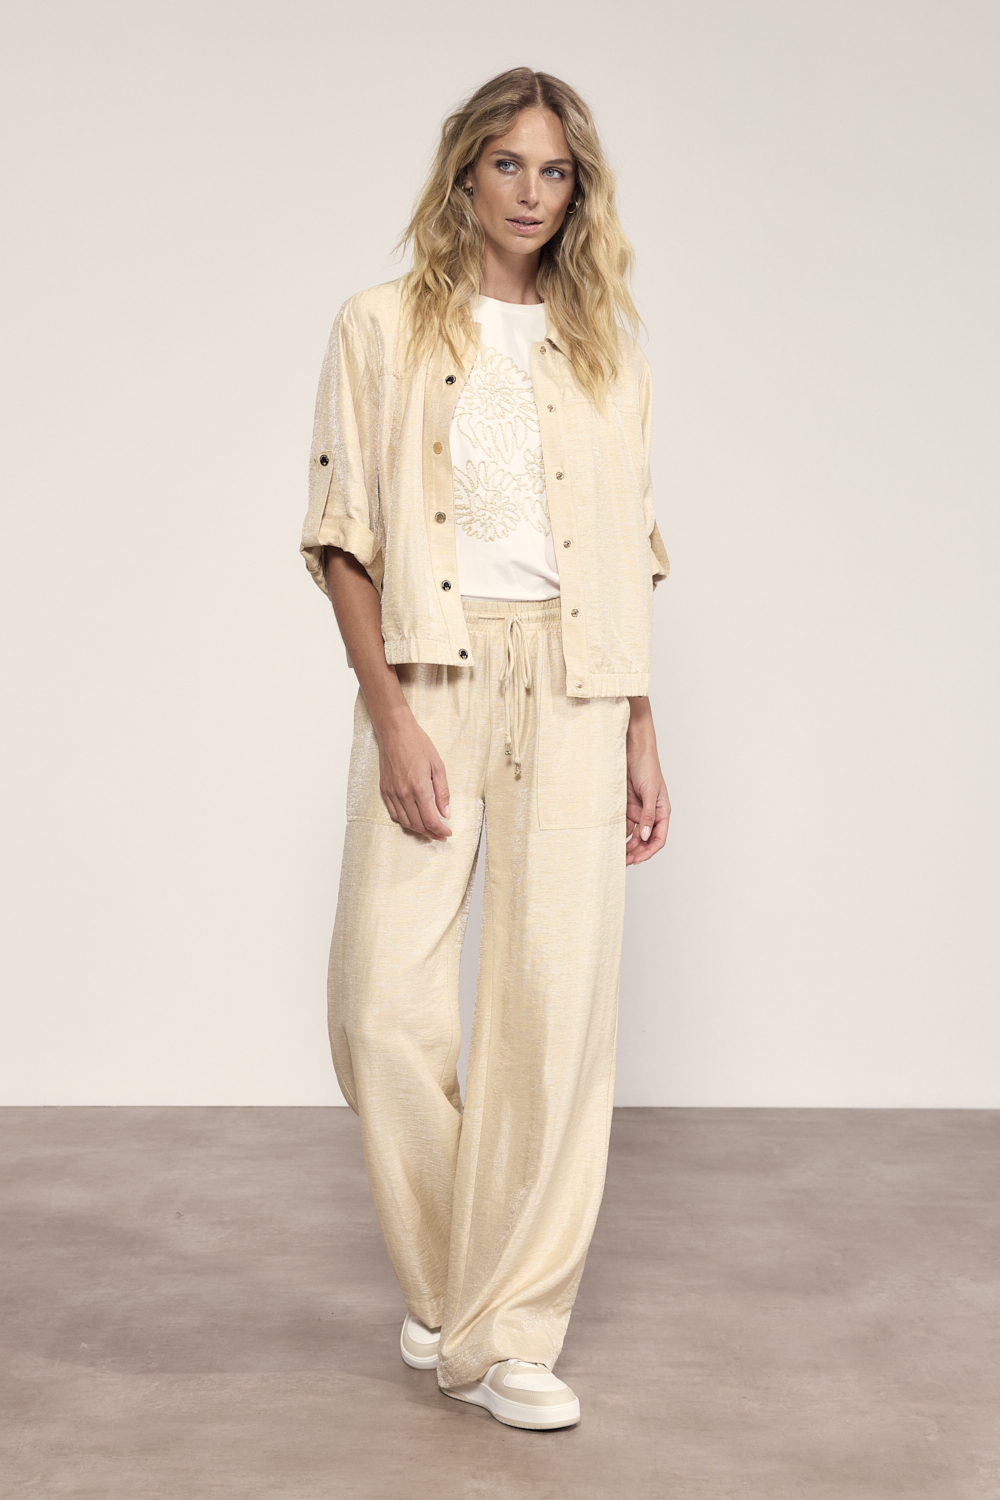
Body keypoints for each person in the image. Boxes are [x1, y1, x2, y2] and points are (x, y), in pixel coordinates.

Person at [300, 66, 671, 1431]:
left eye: (555, 170)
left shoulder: (605, 347)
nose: (531, 192)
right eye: (508, 164)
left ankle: (510, 1334)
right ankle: (463, 1286)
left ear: (579, 191)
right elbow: (343, 537)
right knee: (380, 1007)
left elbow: (630, 548)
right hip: (433, 671)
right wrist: (394, 712)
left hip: (579, 680)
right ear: (464, 172)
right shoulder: (379, 325)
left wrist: (641, 729)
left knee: (551, 1014)